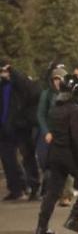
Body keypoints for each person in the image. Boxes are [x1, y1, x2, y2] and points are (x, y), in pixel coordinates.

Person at [36, 75, 78, 234]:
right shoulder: (76, 110)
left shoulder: (55, 109)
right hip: (70, 155)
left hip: (55, 154)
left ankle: (41, 227)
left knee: (53, 191)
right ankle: (74, 219)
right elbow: (77, 140)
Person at [0, 61, 41, 201]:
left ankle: (34, 187)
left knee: (27, 157)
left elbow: (28, 88)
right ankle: (16, 189)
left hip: (21, 126)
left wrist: (12, 70)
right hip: (5, 127)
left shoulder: (19, 83)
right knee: (8, 160)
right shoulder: (2, 85)